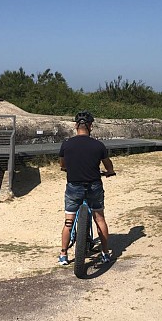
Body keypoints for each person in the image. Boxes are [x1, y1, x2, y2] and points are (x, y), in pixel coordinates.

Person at [58, 110, 116, 266]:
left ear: (76, 126)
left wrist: (66, 168)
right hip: (94, 186)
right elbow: (108, 165)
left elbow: (62, 164)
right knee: (100, 219)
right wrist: (110, 172)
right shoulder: (98, 145)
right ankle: (105, 253)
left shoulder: (67, 144)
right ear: (90, 126)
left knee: (68, 222)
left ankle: (63, 254)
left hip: (73, 186)